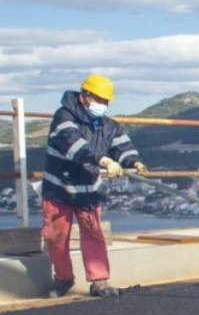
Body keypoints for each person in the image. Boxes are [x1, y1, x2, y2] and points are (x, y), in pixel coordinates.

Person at [43, 74, 148, 298]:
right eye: (99, 99)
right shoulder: (64, 118)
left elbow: (122, 146)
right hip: (59, 188)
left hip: (89, 190)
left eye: (106, 101)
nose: (103, 105)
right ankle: (63, 279)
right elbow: (73, 145)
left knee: (93, 235)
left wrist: (133, 161)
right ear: (85, 96)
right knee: (56, 236)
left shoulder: (108, 126)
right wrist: (104, 161)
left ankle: (99, 281)